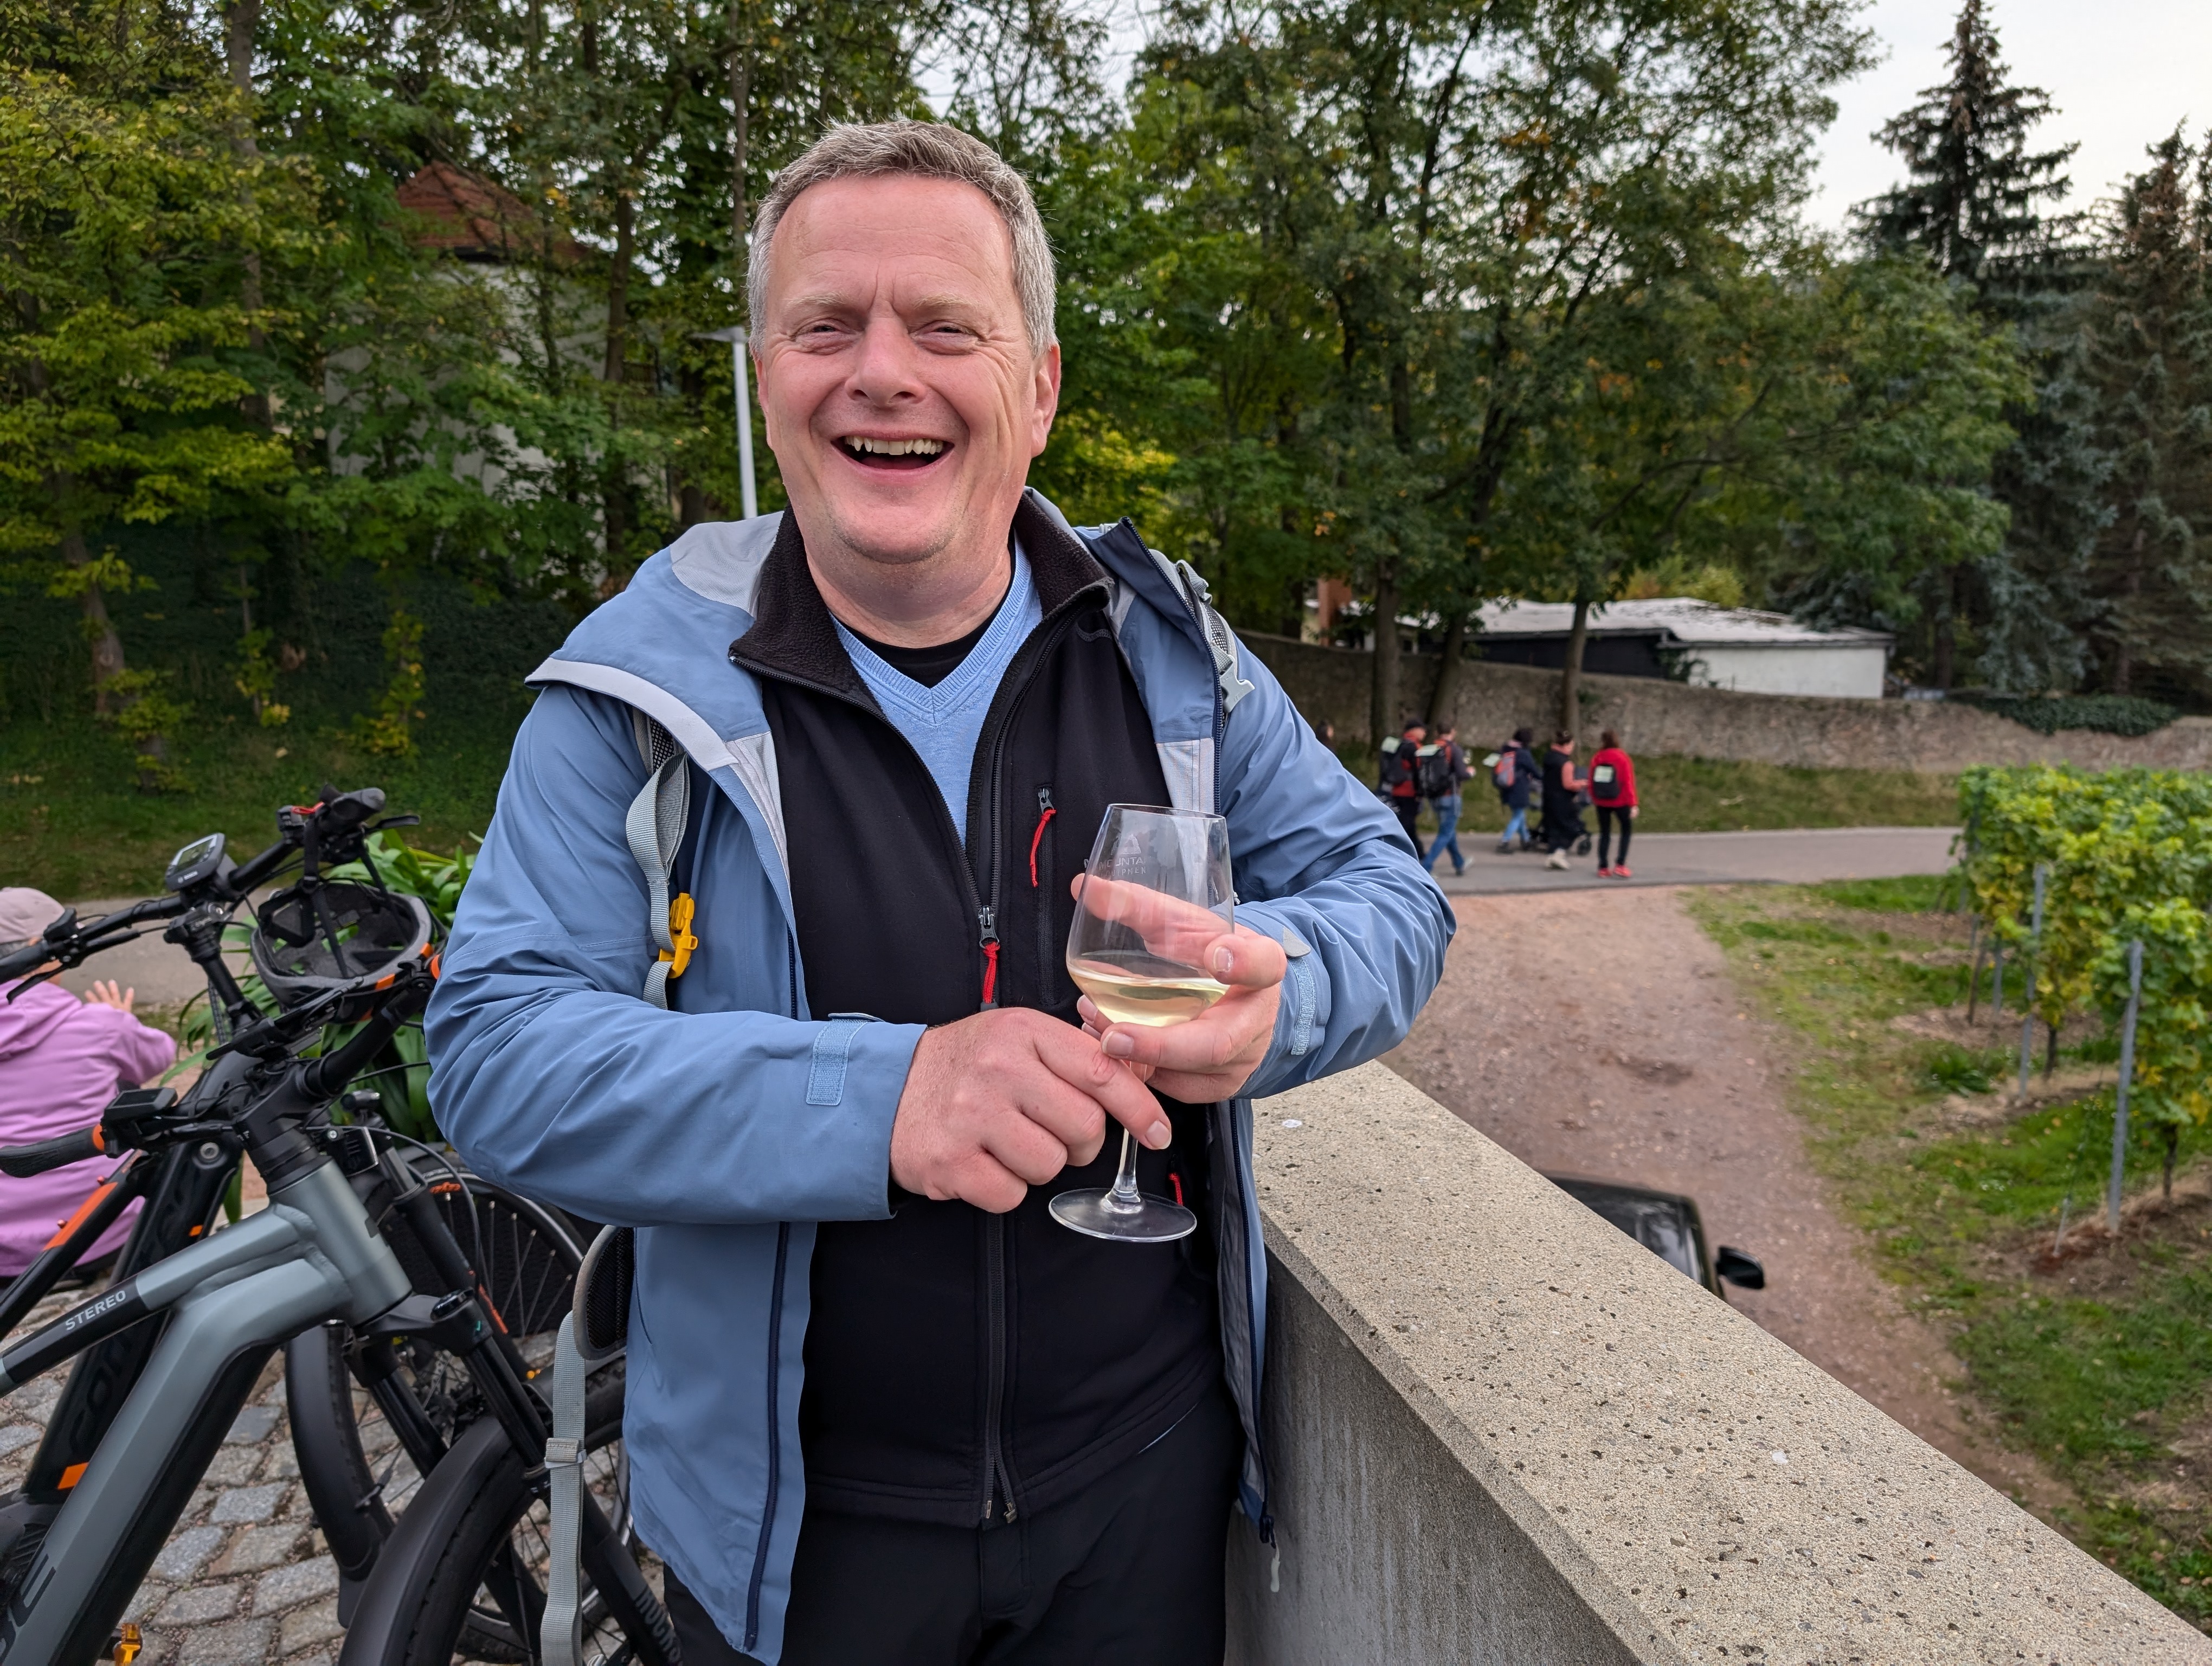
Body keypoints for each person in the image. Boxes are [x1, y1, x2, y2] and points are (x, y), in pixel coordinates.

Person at [424, 120, 1453, 1666]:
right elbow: (497, 1057)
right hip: (793, 1543)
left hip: (1142, 1492)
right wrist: (879, 1096)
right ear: (765, 379)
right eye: (825, 326)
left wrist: (1279, 989)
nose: (881, 373)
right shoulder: (629, 692)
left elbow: (1389, 892)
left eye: (944, 328)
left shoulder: (1170, 653)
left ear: (1037, 388)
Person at [0, 887, 173, 1282]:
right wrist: (121, 1020)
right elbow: (160, 1056)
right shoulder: (97, 1025)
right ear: (38, 949)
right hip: (100, 1231)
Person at [1590, 728, 1639, 879]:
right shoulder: (1623, 758)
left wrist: (1594, 798)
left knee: (1605, 833)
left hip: (1602, 801)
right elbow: (1628, 782)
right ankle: (1620, 865)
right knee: (1626, 830)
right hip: (1620, 801)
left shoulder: (1598, 757)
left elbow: (1591, 780)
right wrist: (1633, 804)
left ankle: (1603, 867)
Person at [1422, 724, 1469, 876]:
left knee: (1448, 832)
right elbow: (1461, 773)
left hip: (1434, 796)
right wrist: (1470, 773)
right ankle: (1426, 867)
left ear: (1437, 732)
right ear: (1452, 732)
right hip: (1451, 796)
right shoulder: (1454, 749)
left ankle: (1459, 863)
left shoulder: (1430, 748)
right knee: (1445, 834)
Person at [1377, 719, 1427, 859]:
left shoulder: (1395, 744)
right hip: (1409, 792)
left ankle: (1416, 853)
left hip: (1393, 789)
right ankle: (1414, 854)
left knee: (1404, 822)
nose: (1424, 733)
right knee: (1407, 824)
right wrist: (1420, 792)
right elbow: (1419, 772)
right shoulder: (1416, 748)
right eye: (1422, 729)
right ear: (1414, 730)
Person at [1540, 729, 1587, 871]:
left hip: (1548, 798)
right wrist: (1583, 784)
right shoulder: (1566, 764)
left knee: (1554, 829)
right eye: (1571, 745)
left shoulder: (1548, 758)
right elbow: (1568, 784)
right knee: (1572, 828)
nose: (1572, 748)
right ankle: (1559, 853)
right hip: (1563, 801)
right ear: (1566, 745)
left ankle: (1551, 856)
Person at [1493, 726, 1535, 853]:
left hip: (1506, 787)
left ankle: (1526, 840)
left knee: (1520, 814)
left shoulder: (1504, 749)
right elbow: (1534, 770)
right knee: (1518, 816)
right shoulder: (1523, 753)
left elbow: (1494, 765)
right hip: (1519, 788)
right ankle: (1504, 842)